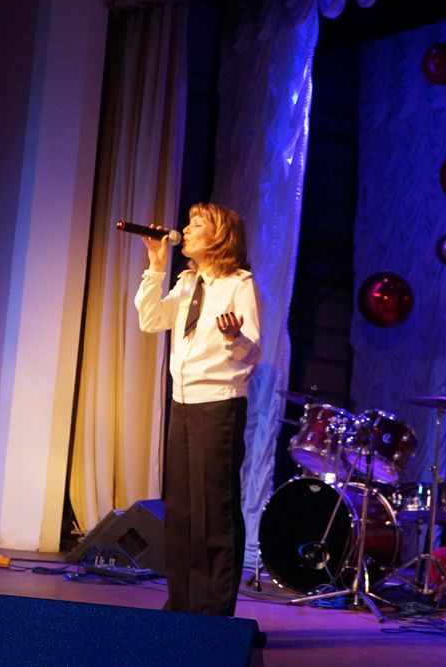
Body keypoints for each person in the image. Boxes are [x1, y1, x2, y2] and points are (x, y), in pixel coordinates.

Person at [134, 202, 261, 616]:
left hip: (219, 403)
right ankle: (183, 605)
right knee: (183, 511)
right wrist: (156, 265)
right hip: (184, 402)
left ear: (219, 237)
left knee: (214, 511)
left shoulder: (239, 284)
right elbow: (151, 320)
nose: (185, 230)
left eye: (196, 224)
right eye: (187, 223)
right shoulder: (187, 282)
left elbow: (250, 352)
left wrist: (234, 337)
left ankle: (213, 613)